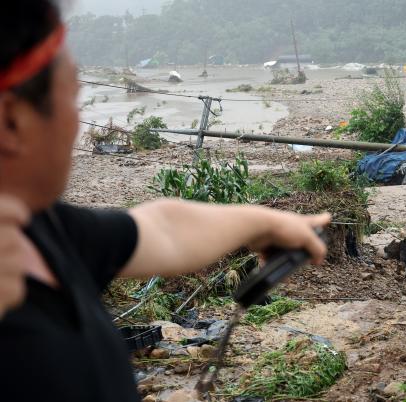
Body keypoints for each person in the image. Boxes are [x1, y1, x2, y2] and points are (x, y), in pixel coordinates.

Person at [0, 2, 329, 401]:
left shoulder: (48, 230)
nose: (77, 121)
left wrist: (265, 223)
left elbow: (163, 228)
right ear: (12, 121)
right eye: (73, 95)